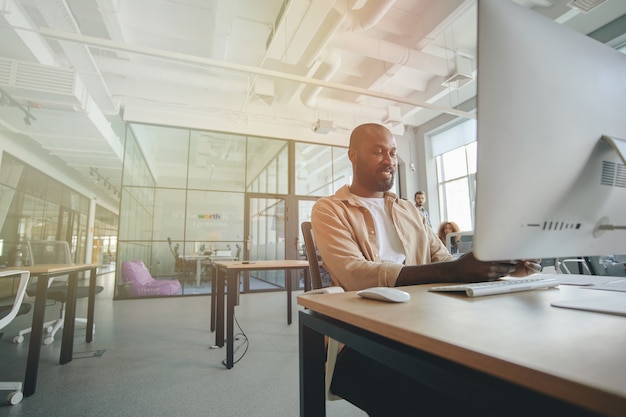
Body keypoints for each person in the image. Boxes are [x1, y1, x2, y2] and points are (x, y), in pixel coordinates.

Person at [311, 123, 540, 416]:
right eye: (378, 151)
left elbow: (443, 261)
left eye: (393, 153)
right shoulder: (330, 209)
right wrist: (454, 271)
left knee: (502, 375)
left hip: (427, 324)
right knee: (444, 395)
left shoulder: (410, 210)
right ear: (353, 156)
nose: (389, 160)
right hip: (364, 338)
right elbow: (355, 273)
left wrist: (497, 267)